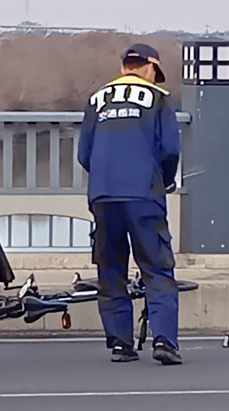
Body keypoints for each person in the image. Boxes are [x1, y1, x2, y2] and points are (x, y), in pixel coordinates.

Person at [77, 43, 182, 365]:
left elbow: (84, 154)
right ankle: (164, 341)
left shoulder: (96, 101)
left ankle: (121, 343)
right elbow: (169, 150)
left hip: (104, 196)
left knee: (111, 270)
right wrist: (163, 181)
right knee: (157, 267)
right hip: (143, 195)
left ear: (124, 67)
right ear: (150, 68)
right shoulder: (159, 99)